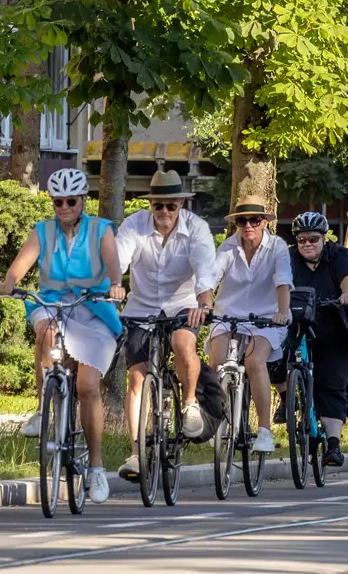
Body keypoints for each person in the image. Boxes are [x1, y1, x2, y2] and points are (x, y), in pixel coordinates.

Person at [0, 167, 125, 504]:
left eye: (71, 201)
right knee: (45, 330)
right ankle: (42, 412)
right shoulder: (43, 231)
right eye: (58, 202)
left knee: (87, 387)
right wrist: (9, 282)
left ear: (83, 200)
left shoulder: (101, 230)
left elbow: (112, 262)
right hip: (53, 305)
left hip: (93, 309)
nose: (64, 207)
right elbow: (21, 263)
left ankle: (96, 468)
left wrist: (116, 283)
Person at [114, 170, 216, 481]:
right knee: (136, 377)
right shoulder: (134, 225)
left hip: (183, 305)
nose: (164, 213)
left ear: (181, 204)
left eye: (171, 206)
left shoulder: (197, 229)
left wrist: (204, 304)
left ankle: (189, 404)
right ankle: (135, 453)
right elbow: (118, 258)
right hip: (142, 306)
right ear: (151, 205)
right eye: (158, 206)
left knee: (183, 344)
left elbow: (205, 269)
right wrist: (114, 286)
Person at [210, 202, 293, 455]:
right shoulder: (228, 247)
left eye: (254, 220)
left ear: (265, 222)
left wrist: (281, 312)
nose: (248, 226)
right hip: (229, 314)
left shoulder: (277, 246)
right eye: (242, 221)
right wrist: (202, 304)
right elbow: (212, 277)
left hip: (266, 316)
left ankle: (265, 431)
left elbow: (283, 281)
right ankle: (216, 422)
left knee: (255, 361)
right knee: (217, 360)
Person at [288, 210, 348, 466]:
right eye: (302, 240)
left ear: (323, 238)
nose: (307, 244)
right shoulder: (288, 258)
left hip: (334, 327)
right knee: (273, 360)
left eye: (313, 239)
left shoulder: (337, 254)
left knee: (331, 382)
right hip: (296, 325)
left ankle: (333, 444)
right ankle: (289, 403)